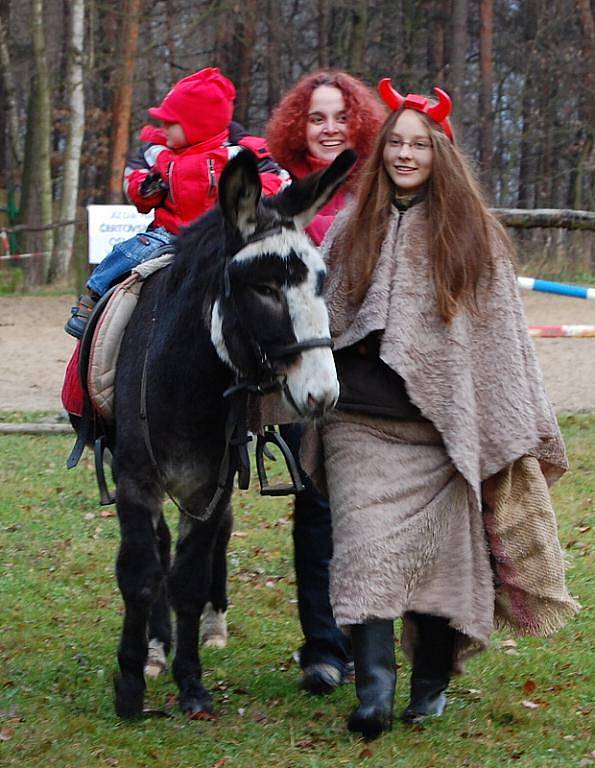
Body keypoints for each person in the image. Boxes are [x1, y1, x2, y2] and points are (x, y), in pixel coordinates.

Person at [301, 79, 577, 737]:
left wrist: (501, 426)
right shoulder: (347, 227)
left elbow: (498, 342)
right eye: (393, 142)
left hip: (438, 434)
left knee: (438, 573)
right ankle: (371, 696)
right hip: (358, 425)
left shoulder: (471, 234)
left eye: (416, 145)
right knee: (366, 555)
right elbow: (316, 317)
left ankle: (426, 689)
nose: (402, 154)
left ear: (438, 153)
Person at [265, 71, 386, 694]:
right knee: (315, 511)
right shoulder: (280, 197)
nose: (329, 127)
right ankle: (322, 648)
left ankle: (374, 642)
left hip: (369, 374)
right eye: (316, 117)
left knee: (369, 514)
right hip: (308, 377)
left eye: (340, 116)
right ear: (298, 127)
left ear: (359, 122)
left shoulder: (378, 194)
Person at [65, 68, 286, 338]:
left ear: (197, 124)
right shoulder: (156, 152)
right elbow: (132, 180)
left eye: (171, 122)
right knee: (128, 252)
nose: (163, 127)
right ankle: (93, 297)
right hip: (168, 233)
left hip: (226, 234)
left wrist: (254, 194)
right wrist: (148, 187)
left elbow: (277, 178)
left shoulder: (241, 152)